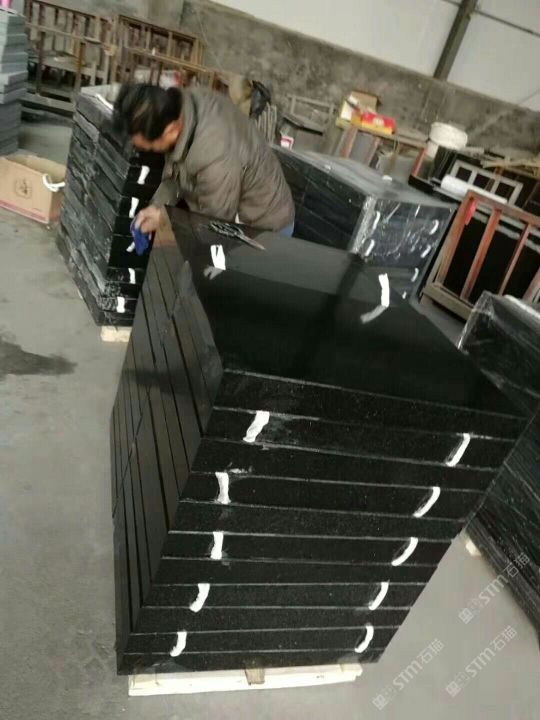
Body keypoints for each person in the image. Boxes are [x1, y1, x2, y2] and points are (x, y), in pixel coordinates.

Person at [113, 83, 295, 236]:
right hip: (227, 203)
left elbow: (215, 224)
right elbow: (176, 171)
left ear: (171, 131)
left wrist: (165, 219)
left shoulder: (216, 156)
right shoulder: (183, 107)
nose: (151, 152)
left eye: (151, 148)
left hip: (264, 226)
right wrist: (158, 207)